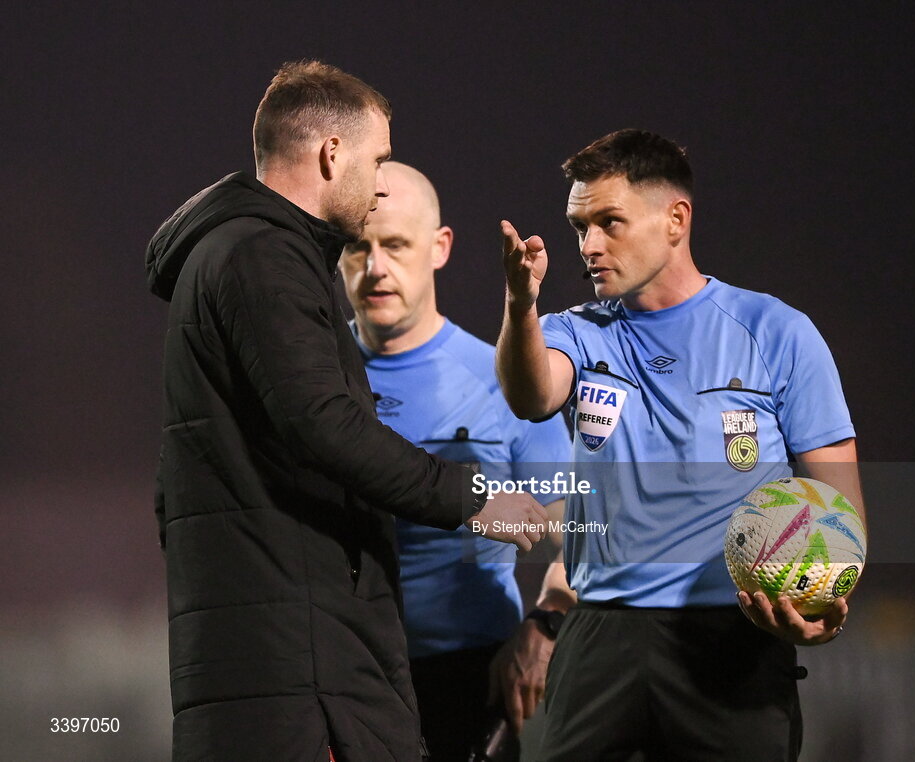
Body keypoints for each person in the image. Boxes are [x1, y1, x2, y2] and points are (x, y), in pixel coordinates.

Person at [144, 61, 547, 762]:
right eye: (377, 159)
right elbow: (323, 423)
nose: (381, 179)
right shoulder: (265, 254)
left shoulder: (244, 251)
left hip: (284, 655)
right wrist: (473, 498)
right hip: (297, 673)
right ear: (332, 154)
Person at [495, 128, 864, 761]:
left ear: (676, 219)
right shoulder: (573, 332)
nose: (589, 245)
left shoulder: (776, 333)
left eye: (610, 222)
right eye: (579, 227)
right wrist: (520, 303)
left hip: (731, 640)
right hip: (599, 632)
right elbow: (532, 395)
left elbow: (839, 504)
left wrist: (824, 600)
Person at [338, 161, 572, 761]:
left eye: (395, 245)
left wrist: (545, 627)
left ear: (439, 247)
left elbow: (585, 532)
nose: (376, 267)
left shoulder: (503, 382)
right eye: (358, 248)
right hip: (339, 679)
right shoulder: (307, 383)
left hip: (470, 678)